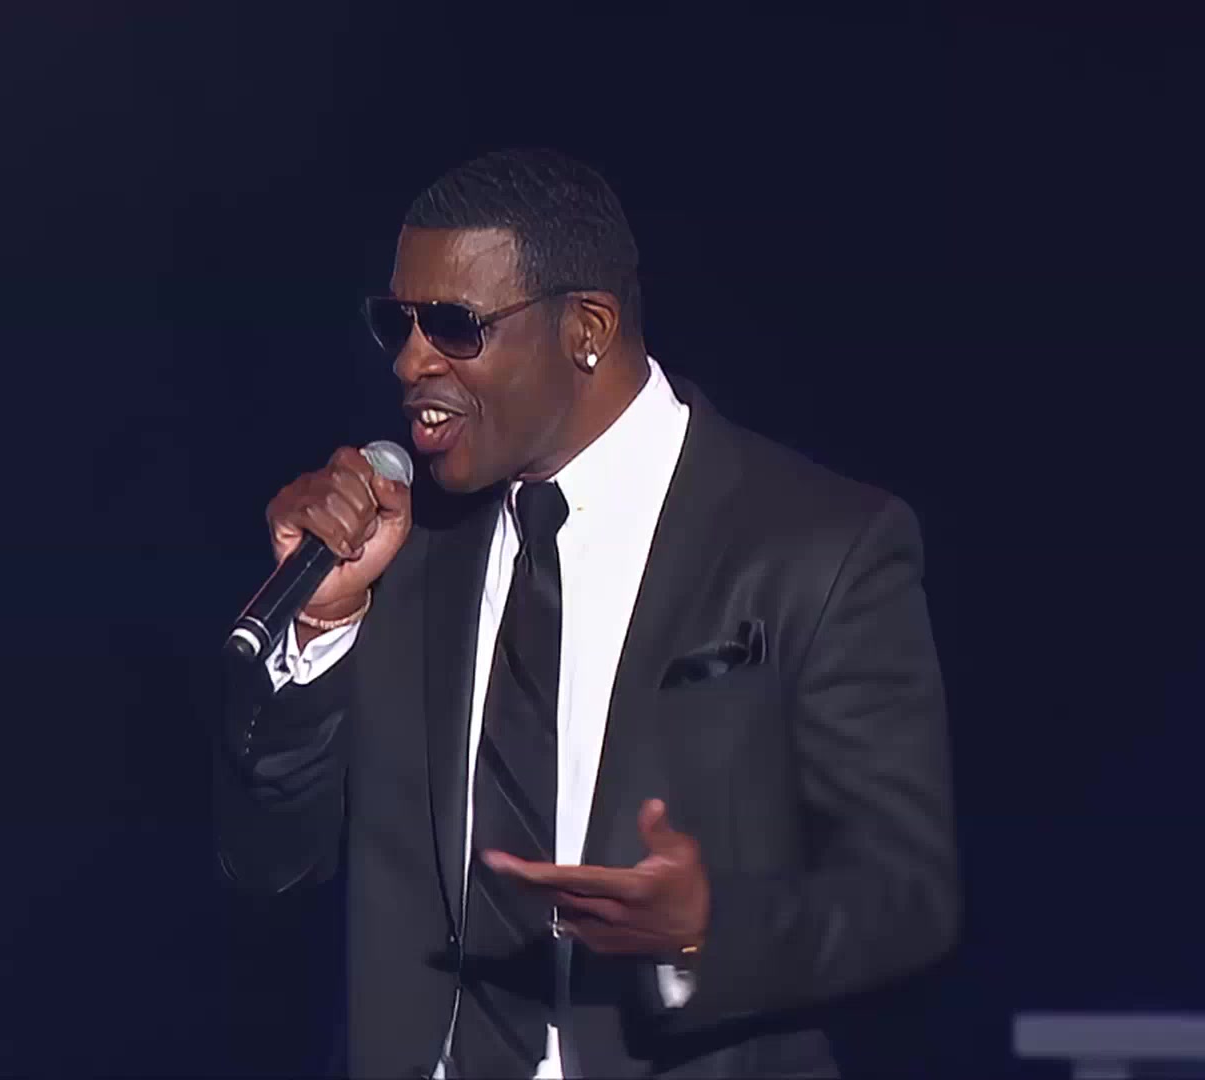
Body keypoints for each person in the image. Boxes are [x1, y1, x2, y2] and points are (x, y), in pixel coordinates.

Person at [214, 148, 958, 1079]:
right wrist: (324, 624)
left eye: (454, 326)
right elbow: (272, 866)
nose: (410, 361)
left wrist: (706, 931)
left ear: (588, 330)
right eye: (395, 323)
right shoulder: (400, 546)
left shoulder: (815, 545)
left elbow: (907, 898)